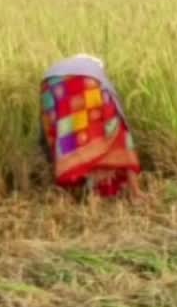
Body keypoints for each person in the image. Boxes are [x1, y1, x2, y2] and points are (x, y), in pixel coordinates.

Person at [38, 53, 143, 200]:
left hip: (49, 85)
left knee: (67, 136)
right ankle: (135, 191)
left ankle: (76, 192)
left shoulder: (69, 66)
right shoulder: (99, 75)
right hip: (87, 83)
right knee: (119, 135)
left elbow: (46, 132)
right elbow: (119, 114)